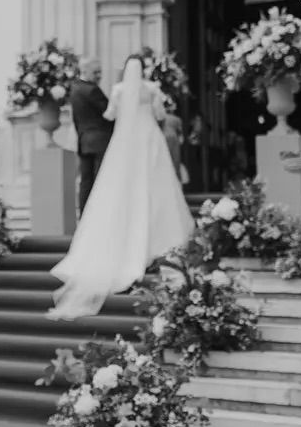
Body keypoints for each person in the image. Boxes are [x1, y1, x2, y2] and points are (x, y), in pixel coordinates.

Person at [47, 55, 194, 321]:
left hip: (124, 143)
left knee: (119, 188)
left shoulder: (116, 90)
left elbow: (111, 113)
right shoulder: (151, 89)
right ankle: (160, 236)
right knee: (156, 189)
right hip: (149, 139)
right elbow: (160, 114)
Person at [68, 59, 113, 216]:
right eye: (96, 72)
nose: (99, 76)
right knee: (101, 180)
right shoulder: (92, 90)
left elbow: (75, 118)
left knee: (86, 181)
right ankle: (100, 215)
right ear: (85, 71)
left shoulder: (74, 89)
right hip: (100, 140)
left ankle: (84, 216)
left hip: (84, 141)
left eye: (100, 71)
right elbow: (110, 114)